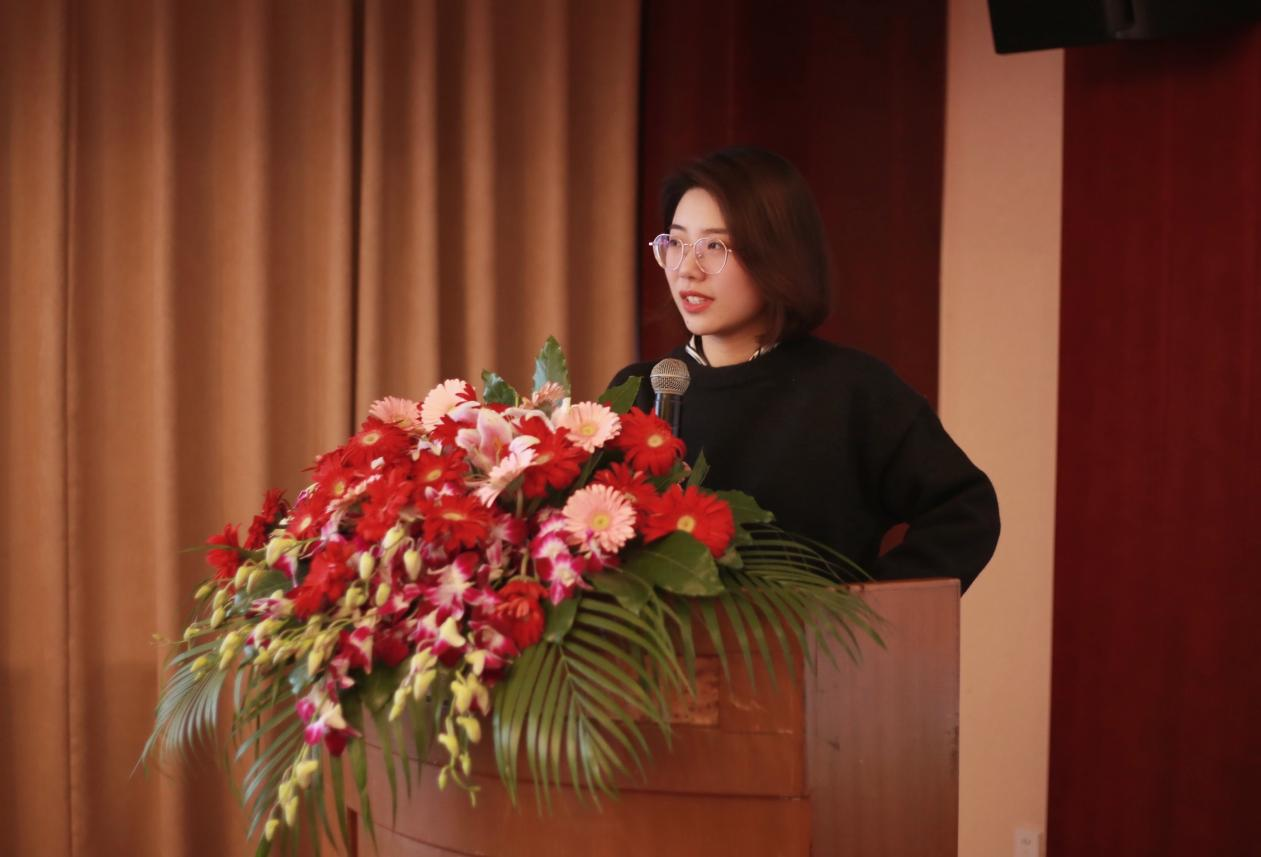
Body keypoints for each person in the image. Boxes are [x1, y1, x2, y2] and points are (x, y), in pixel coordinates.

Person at [611, 147, 999, 593]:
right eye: (676, 243)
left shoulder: (851, 390)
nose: (687, 270)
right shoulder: (641, 390)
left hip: (812, 640)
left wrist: (868, 609)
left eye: (715, 246)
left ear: (777, 254)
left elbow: (964, 511)